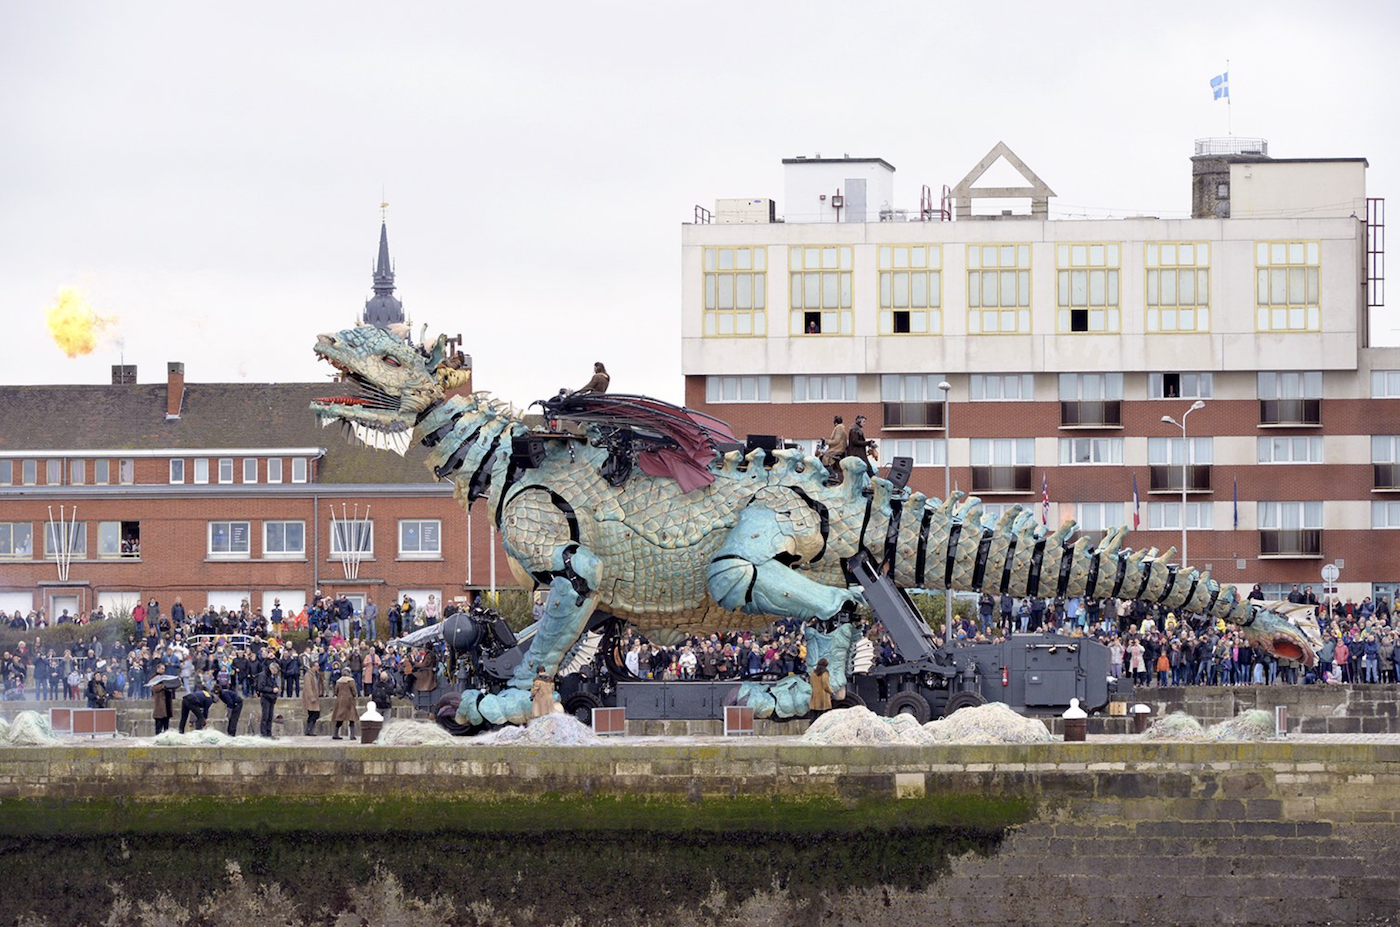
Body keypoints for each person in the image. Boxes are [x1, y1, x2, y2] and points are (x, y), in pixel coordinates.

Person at [255, 660, 281, 738]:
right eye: (276, 670)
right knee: (265, 716)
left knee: (270, 716)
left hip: (271, 698)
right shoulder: (263, 675)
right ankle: (263, 733)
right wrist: (272, 690)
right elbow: (261, 687)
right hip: (265, 697)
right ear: (272, 669)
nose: (276, 672)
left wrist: (277, 689)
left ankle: (269, 733)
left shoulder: (272, 676)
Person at [331, 672, 357, 740]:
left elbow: (335, 691)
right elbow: (354, 691)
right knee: (351, 718)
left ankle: (335, 734)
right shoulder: (351, 681)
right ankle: (352, 735)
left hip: (340, 701)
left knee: (340, 718)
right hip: (349, 700)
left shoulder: (339, 681)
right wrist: (354, 695)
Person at [151, 662, 174, 735]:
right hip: (160, 701)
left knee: (166, 722)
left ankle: (166, 736)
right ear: (158, 669)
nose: (163, 670)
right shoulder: (154, 677)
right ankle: (158, 736)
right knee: (159, 722)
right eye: (162, 669)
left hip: (167, 701)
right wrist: (162, 686)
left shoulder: (165, 677)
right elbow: (154, 688)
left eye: (164, 669)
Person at [301, 662, 323, 736]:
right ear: (312, 667)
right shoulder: (308, 675)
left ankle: (309, 730)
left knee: (313, 714)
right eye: (317, 666)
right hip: (310, 698)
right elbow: (308, 687)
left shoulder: (316, 674)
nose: (318, 667)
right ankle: (309, 730)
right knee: (314, 714)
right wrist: (312, 697)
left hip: (315, 697)